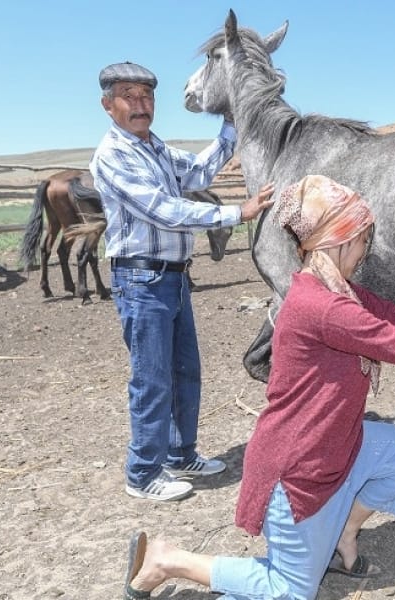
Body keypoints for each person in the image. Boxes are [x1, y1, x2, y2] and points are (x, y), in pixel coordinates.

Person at [121, 175, 395, 599]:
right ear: (338, 240)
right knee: (289, 591)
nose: (365, 251)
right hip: (299, 472)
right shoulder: (322, 306)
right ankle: (167, 561)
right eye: (363, 240)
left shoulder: (341, 292)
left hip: (342, 447)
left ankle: (345, 531)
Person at [90, 61, 275, 502]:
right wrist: (236, 213)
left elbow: (200, 172)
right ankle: (142, 473)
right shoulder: (113, 155)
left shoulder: (154, 148)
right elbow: (163, 210)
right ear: (108, 105)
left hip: (170, 279)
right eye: (129, 96)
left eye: (146, 96)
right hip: (141, 279)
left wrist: (232, 122)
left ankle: (179, 452)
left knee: (184, 371)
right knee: (152, 378)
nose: (140, 104)